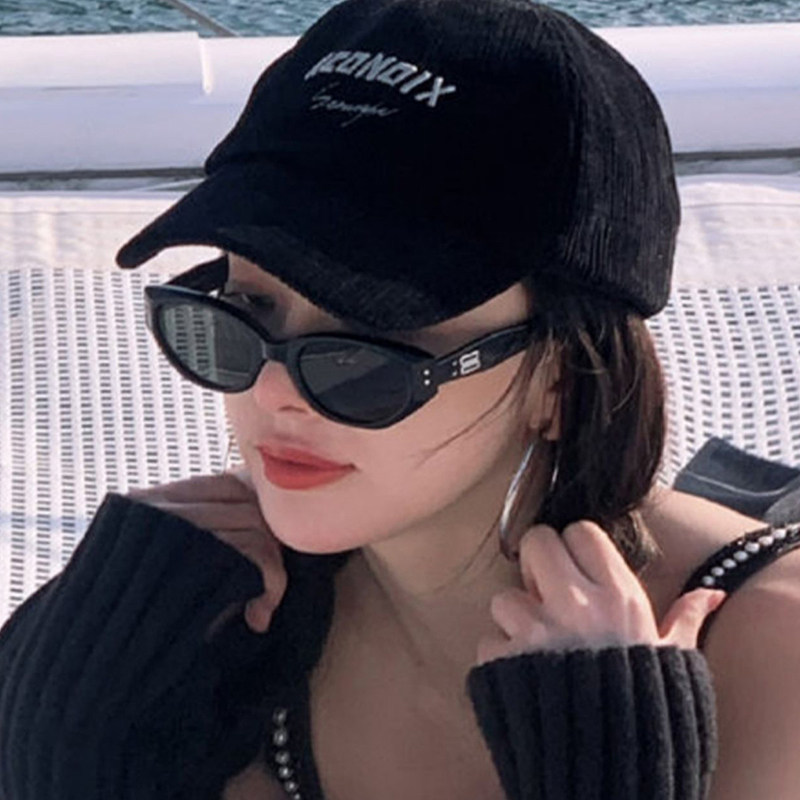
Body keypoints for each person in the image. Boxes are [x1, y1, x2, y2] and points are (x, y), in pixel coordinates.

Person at [1, 0, 800, 798]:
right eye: (241, 314)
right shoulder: (216, 621)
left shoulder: (773, 654)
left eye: (368, 347)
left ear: (561, 380)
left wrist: (612, 766)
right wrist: (57, 708)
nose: (273, 390)